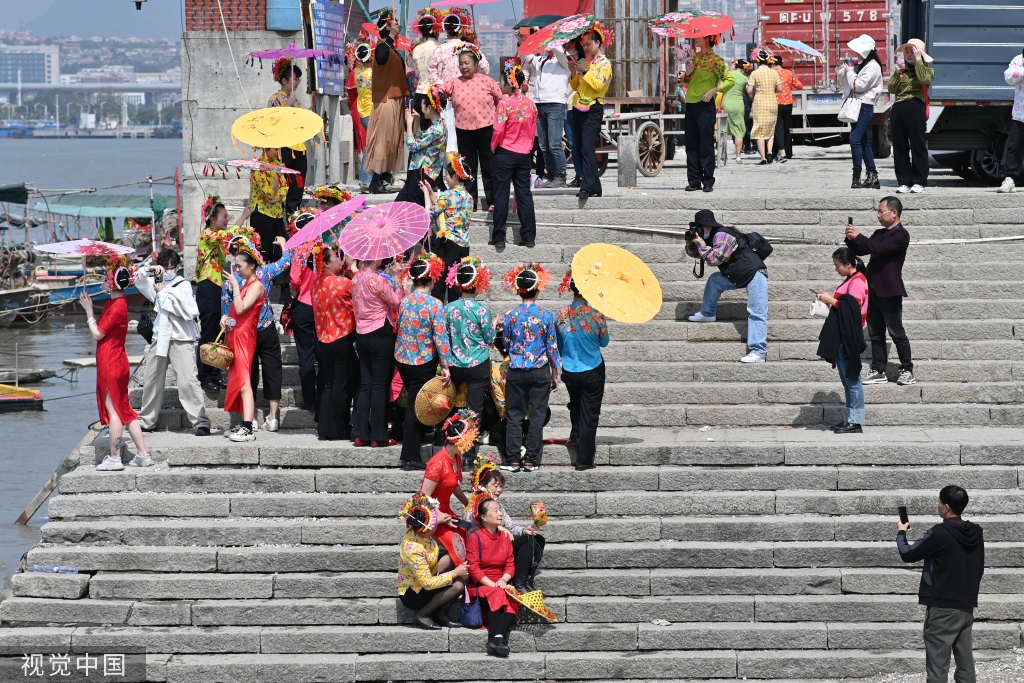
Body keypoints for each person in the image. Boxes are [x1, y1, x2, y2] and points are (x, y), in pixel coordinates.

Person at [897, 486, 984, 683]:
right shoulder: (976, 532)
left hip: (942, 608)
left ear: (946, 507)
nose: (937, 506)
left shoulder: (939, 533)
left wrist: (901, 533)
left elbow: (908, 554)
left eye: (938, 502)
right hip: (966, 607)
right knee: (965, 666)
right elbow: (979, 568)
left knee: (937, 669)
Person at [82, 257, 152, 470]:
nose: (105, 280)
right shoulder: (116, 303)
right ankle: (142, 454)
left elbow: (97, 334)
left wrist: (88, 311)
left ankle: (115, 458)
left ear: (114, 282)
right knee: (125, 410)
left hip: (111, 363)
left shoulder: (116, 307)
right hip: (117, 360)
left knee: (115, 413)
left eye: (107, 277)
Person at [136, 248, 211, 436]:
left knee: (188, 381)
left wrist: (161, 293)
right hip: (160, 336)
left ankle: (200, 421)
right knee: (151, 379)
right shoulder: (155, 282)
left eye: (172, 267)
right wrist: (149, 269)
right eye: (165, 267)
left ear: (177, 267)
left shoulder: (183, 285)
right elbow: (136, 279)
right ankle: (147, 420)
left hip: (181, 338)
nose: (168, 271)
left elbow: (184, 309)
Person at [221, 235, 290, 433]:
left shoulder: (229, 282)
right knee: (272, 368)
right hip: (264, 326)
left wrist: (225, 322)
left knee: (247, 372)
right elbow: (286, 261)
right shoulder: (264, 273)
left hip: (244, 331)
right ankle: (273, 416)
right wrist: (284, 246)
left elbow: (226, 308)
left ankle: (249, 418)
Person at [845, 197, 915, 386]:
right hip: (872, 289)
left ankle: (907, 369)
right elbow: (864, 249)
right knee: (876, 333)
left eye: (881, 212)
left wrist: (860, 236)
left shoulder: (901, 235)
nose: (878, 216)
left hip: (889, 290)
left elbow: (880, 249)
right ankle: (878, 369)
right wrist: (852, 239)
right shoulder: (878, 232)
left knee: (896, 332)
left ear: (894, 213)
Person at [686, 210, 768, 363]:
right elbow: (695, 255)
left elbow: (714, 260)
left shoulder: (723, 235)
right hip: (736, 274)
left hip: (754, 272)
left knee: (757, 311)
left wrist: (700, 243)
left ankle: (759, 352)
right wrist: (690, 240)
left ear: (707, 226)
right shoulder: (709, 236)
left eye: (698, 228)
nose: (697, 231)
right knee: (715, 280)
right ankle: (708, 313)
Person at [502, 263, 560, 472]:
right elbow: (551, 346)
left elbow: (506, 343)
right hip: (539, 370)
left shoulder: (511, 315)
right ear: (537, 289)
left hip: (517, 370)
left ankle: (513, 459)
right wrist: (555, 373)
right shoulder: (546, 316)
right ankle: (531, 459)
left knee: (515, 415)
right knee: (537, 415)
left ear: (519, 290)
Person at [394, 253, 450, 470]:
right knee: (416, 408)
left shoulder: (404, 301)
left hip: (402, 358)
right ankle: (410, 456)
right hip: (423, 361)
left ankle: (412, 451)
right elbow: (441, 337)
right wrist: (446, 365)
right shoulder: (435, 304)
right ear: (432, 279)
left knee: (414, 404)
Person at [436, 43, 502, 212]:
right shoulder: (454, 83)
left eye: (467, 63)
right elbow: (437, 93)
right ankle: (469, 202)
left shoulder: (488, 81)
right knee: (468, 168)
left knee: (489, 166)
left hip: (487, 129)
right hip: (464, 131)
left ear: (476, 65)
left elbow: (501, 102)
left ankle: (492, 200)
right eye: (461, 63)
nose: (464, 67)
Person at [195, 198, 253, 391]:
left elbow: (229, 236)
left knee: (218, 330)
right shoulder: (208, 235)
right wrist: (244, 217)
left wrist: (244, 217)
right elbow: (229, 236)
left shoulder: (218, 236)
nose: (227, 219)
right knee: (208, 330)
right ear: (213, 219)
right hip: (207, 285)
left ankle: (215, 372)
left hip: (217, 286)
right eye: (225, 216)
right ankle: (204, 376)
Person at [463, 459, 545, 593]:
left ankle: (527, 579)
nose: (499, 490)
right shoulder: (476, 504)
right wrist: (497, 527)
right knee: (528, 540)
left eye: (501, 486)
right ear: (484, 485)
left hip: (501, 542)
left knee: (537, 538)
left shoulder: (496, 504)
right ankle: (519, 581)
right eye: (495, 485)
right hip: (487, 547)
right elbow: (473, 529)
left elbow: (510, 526)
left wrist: (525, 529)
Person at [556, 270, 608, 470]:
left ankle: (575, 433)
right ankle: (584, 460)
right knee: (590, 412)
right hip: (593, 367)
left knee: (576, 403)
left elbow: (559, 343)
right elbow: (605, 342)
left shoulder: (561, 315)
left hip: (570, 368)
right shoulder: (596, 316)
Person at [352, 258, 405, 447]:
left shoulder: (355, 279)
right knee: (380, 386)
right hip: (379, 332)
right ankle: (379, 435)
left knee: (366, 385)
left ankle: (360, 433)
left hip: (361, 333)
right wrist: (398, 281)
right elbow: (396, 301)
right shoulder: (377, 280)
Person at [814, 248, 868, 434]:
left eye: (838, 266)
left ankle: (855, 421)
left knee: (852, 379)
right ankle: (849, 419)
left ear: (849, 264)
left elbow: (852, 309)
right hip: (842, 334)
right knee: (847, 380)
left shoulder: (859, 281)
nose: (836, 269)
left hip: (849, 335)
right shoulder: (850, 280)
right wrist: (828, 301)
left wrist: (832, 299)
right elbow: (844, 306)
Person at [440, 256, 495, 435]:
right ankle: (469, 454)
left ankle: (450, 438)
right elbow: (489, 339)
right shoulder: (482, 310)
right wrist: (493, 326)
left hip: (455, 363)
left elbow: (444, 337)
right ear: (476, 283)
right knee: (474, 408)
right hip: (478, 363)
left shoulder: (448, 308)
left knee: (452, 404)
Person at [398, 493, 468, 630]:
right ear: (429, 526)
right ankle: (424, 614)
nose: (438, 520)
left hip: (426, 575)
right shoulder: (413, 549)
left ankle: (439, 612)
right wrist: (454, 573)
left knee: (452, 558)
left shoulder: (420, 530)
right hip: (414, 592)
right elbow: (427, 583)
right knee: (459, 584)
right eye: (435, 519)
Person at [310, 244, 358, 442]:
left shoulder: (316, 284)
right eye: (335, 257)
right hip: (343, 336)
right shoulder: (343, 283)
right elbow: (363, 286)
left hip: (324, 338)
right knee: (341, 385)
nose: (340, 259)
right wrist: (353, 268)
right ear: (327, 265)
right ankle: (338, 428)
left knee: (329, 384)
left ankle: (325, 428)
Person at [220, 238, 266, 443]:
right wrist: (225, 319)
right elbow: (236, 312)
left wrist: (235, 287)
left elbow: (241, 308)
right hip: (236, 334)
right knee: (239, 382)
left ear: (252, 265)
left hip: (245, 337)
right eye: (235, 266)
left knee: (245, 382)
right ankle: (244, 423)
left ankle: (248, 427)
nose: (237, 270)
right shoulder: (247, 284)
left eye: (239, 266)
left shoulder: (257, 285)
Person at [419, 409, 478, 564]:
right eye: (469, 441)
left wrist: (467, 503)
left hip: (445, 511)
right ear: (459, 441)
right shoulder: (437, 463)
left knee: (468, 535)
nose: (470, 446)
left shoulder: (456, 458)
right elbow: (423, 496)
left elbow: (453, 484)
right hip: (431, 514)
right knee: (458, 545)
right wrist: (440, 516)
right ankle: (433, 579)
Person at [491, 59, 538, 248]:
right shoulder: (530, 104)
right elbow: (533, 129)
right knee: (524, 194)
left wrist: (493, 147)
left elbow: (498, 131)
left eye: (501, 81)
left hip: (505, 152)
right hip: (524, 153)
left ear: (509, 83)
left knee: (501, 194)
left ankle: (499, 237)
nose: (500, 84)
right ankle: (528, 237)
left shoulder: (504, 104)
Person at [679, 34, 734, 191]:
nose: (696, 38)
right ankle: (694, 181)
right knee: (691, 143)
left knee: (706, 143)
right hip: (691, 104)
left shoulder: (716, 60)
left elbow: (730, 80)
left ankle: (708, 180)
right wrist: (688, 72)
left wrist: (714, 91)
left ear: (708, 39)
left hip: (705, 104)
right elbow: (687, 81)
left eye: (700, 37)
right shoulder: (695, 59)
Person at [467, 496, 519, 658]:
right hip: (481, 583)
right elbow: (474, 569)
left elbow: (510, 564)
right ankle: (497, 638)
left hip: (500, 582)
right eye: (495, 510)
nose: (500, 513)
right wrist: (494, 584)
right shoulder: (475, 538)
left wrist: (504, 580)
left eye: (500, 510)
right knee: (498, 593)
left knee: (514, 594)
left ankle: (496, 638)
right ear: (483, 517)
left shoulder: (504, 537)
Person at [365, 9, 410, 194]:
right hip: (386, 99)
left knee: (392, 140)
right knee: (383, 140)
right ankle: (375, 180)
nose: (397, 25)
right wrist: (391, 35)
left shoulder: (391, 48)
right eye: (395, 22)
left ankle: (383, 177)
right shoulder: (382, 46)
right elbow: (382, 58)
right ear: (388, 25)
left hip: (394, 98)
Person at [568, 24, 612, 206]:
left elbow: (599, 85)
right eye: (584, 45)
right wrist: (573, 71)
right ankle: (595, 186)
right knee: (579, 147)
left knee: (587, 148)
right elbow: (576, 86)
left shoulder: (605, 64)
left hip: (593, 108)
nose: (585, 48)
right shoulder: (586, 63)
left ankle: (586, 186)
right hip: (578, 106)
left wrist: (584, 71)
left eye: (588, 44)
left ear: (597, 42)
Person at [423, 152, 474, 303]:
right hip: (464, 244)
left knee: (439, 281)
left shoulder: (447, 195)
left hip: (449, 243)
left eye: (448, 175)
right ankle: (454, 312)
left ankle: (436, 310)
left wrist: (426, 193)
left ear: (456, 177)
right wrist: (432, 193)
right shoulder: (469, 198)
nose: (446, 178)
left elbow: (430, 212)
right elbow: (445, 209)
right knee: (456, 281)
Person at [888, 39, 935, 193]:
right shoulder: (901, 70)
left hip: (916, 107)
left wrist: (919, 60)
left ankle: (919, 181)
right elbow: (892, 89)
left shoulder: (927, 70)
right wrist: (896, 73)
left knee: (918, 145)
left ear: (919, 53)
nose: (908, 54)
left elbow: (923, 79)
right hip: (899, 109)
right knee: (900, 146)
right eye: (906, 52)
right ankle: (903, 181)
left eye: (912, 51)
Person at [394, 86, 448, 209]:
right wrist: (417, 121)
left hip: (422, 172)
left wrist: (408, 123)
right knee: (397, 206)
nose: (421, 109)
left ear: (429, 108)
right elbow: (418, 140)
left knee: (414, 209)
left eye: (423, 106)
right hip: (419, 171)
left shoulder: (435, 129)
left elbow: (413, 145)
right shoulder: (439, 125)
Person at [526, 45, 571, 188]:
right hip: (540, 104)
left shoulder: (564, 58)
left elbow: (560, 53)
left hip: (556, 104)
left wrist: (553, 41)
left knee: (554, 144)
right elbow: (528, 55)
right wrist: (525, 40)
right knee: (544, 145)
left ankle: (561, 176)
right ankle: (551, 176)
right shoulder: (541, 60)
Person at [842, 35, 884, 189]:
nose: (856, 53)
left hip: (864, 106)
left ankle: (857, 176)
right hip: (858, 106)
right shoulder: (865, 64)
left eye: (859, 50)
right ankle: (872, 175)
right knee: (864, 142)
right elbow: (849, 83)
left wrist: (851, 72)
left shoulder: (872, 66)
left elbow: (858, 85)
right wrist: (847, 70)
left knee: (855, 139)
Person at [268, 58, 307, 213]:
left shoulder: (295, 99)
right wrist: (288, 105)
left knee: (298, 184)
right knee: (285, 184)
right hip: (284, 147)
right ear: (284, 80)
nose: (297, 82)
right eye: (295, 79)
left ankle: (294, 216)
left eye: (299, 79)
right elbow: (274, 122)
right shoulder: (275, 99)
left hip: (299, 146)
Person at [290, 244, 321, 413]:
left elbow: (294, 280)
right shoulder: (327, 248)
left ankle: (309, 400)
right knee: (323, 354)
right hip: (323, 303)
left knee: (305, 355)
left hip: (303, 302)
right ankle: (324, 396)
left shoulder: (301, 250)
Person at [248, 147, 288, 268]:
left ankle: (282, 284)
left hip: (277, 213)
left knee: (282, 249)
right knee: (263, 252)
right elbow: (269, 192)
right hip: (261, 214)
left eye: (279, 149)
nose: (277, 152)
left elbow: (285, 188)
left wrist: (276, 199)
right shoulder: (257, 168)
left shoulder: (277, 164)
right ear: (266, 149)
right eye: (275, 149)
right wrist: (277, 174)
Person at [345, 36, 375, 191]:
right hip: (371, 112)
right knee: (372, 145)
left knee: (368, 145)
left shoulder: (356, 72)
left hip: (361, 111)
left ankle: (370, 178)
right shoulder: (373, 73)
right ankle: (366, 178)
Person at [746, 48, 783, 164]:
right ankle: (770, 152)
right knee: (770, 130)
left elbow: (749, 90)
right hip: (772, 102)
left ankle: (763, 158)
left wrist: (752, 94)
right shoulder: (774, 72)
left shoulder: (754, 73)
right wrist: (772, 91)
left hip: (759, 103)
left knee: (759, 130)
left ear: (757, 61)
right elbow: (780, 88)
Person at [411, 8, 443, 131]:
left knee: (420, 132)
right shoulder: (441, 48)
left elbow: (416, 72)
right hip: (436, 94)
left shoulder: (416, 49)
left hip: (420, 92)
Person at [998, 49, 1024, 193]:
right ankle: (1010, 179)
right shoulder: (1019, 60)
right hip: (1021, 114)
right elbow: (1008, 76)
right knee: (1015, 147)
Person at [771, 56, 803, 163]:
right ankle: (787, 152)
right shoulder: (788, 73)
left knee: (778, 129)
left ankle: (782, 153)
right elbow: (799, 86)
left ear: (773, 64)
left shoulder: (772, 74)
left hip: (776, 104)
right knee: (786, 128)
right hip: (788, 104)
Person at [722, 59, 750, 164]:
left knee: (723, 130)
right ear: (743, 69)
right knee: (738, 130)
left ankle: (722, 154)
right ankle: (738, 156)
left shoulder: (728, 75)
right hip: (738, 104)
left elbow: (721, 87)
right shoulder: (744, 78)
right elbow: (749, 92)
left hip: (726, 104)